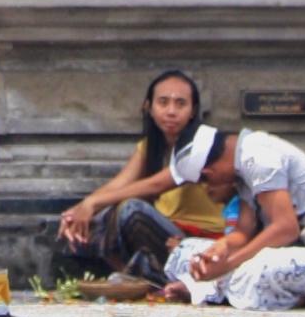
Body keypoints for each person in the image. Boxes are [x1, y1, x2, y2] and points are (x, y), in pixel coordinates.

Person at [52, 71, 230, 292]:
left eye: (180, 103)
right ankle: (134, 274)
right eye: (163, 102)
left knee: (130, 209)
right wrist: (77, 212)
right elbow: (118, 185)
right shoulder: (149, 147)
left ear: (193, 110)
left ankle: (141, 277)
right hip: (164, 236)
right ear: (149, 107)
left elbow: (154, 185)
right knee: (92, 222)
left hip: (199, 239)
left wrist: (91, 204)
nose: (171, 111)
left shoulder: (199, 146)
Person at [156, 122, 305, 309]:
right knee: (186, 251)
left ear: (210, 172)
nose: (210, 187)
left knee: (264, 266)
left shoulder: (259, 158)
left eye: (205, 181)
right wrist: (219, 250)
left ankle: (207, 290)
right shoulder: (243, 166)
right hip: (282, 253)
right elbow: (243, 232)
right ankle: (219, 290)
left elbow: (286, 229)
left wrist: (228, 264)